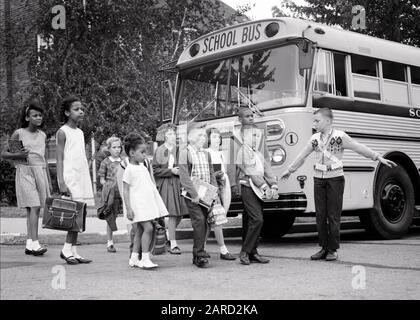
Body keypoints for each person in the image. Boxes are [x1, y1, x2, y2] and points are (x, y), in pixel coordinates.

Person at [280, 108, 397, 261]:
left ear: (328, 121)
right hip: (319, 179)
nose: (314, 124)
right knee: (320, 215)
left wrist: (377, 157)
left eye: (317, 121)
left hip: (335, 178)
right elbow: (303, 155)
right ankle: (323, 247)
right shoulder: (315, 138)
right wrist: (290, 170)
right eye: (313, 121)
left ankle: (333, 249)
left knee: (333, 215)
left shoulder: (339, 136)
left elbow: (358, 147)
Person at [1, 101, 51, 256]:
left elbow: (45, 158)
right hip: (25, 171)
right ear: (27, 117)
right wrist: (19, 155)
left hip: (40, 171)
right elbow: (5, 154)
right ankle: (36, 243)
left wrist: (48, 180)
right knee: (34, 206)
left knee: (32, 208)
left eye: (40, 115)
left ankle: (29, 243)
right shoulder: (19, 133)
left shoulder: (43, 135)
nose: (38, 118)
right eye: (35, 115)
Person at [236, 110, 279, 265]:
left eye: (256, 137)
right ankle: (245, 252)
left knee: (249, 220)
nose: (255, 139)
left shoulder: (259, 147)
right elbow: (249, 169)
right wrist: (264, 186)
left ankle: (253, 252)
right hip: (247, 185)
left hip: (258, 187)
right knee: (257, 219)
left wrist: (273, 183)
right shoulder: (240, 147)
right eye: (247, 116)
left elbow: (266, 165)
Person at [56, 96, 95, 265]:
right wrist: (61, 182)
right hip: (70, 176)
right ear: (67, 112)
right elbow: (59, 158)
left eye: (82, 109)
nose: (80, 112)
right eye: (76, 109)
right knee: (74, 213)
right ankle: (66, 249)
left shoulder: (80, 132)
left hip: (81, 176)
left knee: (81, 213)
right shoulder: (62, 132)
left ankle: (73, 250)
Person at [122, 132, 168, 269]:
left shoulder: (142, 167)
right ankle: (145, 258)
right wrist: (129, 208)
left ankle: (134, 257)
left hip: (145, 204)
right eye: (142, 152)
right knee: (148, 228)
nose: (145, 155)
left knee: (140, 231)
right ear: (131, 153)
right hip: (137, 206)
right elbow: (125, 190)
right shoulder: (129, 170)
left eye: (145, 152)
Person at [179, 124, 218, 268]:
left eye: (204, 136)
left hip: (206, 192)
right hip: (192, 194)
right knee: (199, 221)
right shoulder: (185, 152)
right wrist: (193, 194)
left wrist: (214, 191)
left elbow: (211, 173)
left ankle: (199, 252)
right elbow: (184, 176)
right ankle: (199, 254)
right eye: (200, 136)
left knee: (206, 223)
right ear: (192, 138)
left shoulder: (206, 153)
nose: (203, 138)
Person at [152, 124, 187, 255]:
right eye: (171, 133)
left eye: (174, 133)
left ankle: (168, 233)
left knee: (181, 212)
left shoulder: (180, 150)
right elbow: (155, 170)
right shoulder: (160, 150)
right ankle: (173, 243)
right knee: (172, 213)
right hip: (167, 184)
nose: (174, 136)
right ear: (165, 136)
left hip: (179, 183)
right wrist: (170, 171)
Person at [204, 127, 236, 260]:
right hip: (213, 188)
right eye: (214, 136)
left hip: (223, 186)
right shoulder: (207, 152)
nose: (217, 139)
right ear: (209, 139)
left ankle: (202, 247)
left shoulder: (221, 153)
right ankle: (223, 250)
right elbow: (209, 174)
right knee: (218, 219)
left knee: (211, 221)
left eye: (218, 136)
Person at [98, 136, 123, 253]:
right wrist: (108, 186)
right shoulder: (105, 162)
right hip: (111, 194)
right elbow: (102, 179)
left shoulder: (124, 162)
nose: (117, 149)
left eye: (119, 147)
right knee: (111, 218)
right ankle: (110, 242)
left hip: (123, 193)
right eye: (114, 147)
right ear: (109, 149)